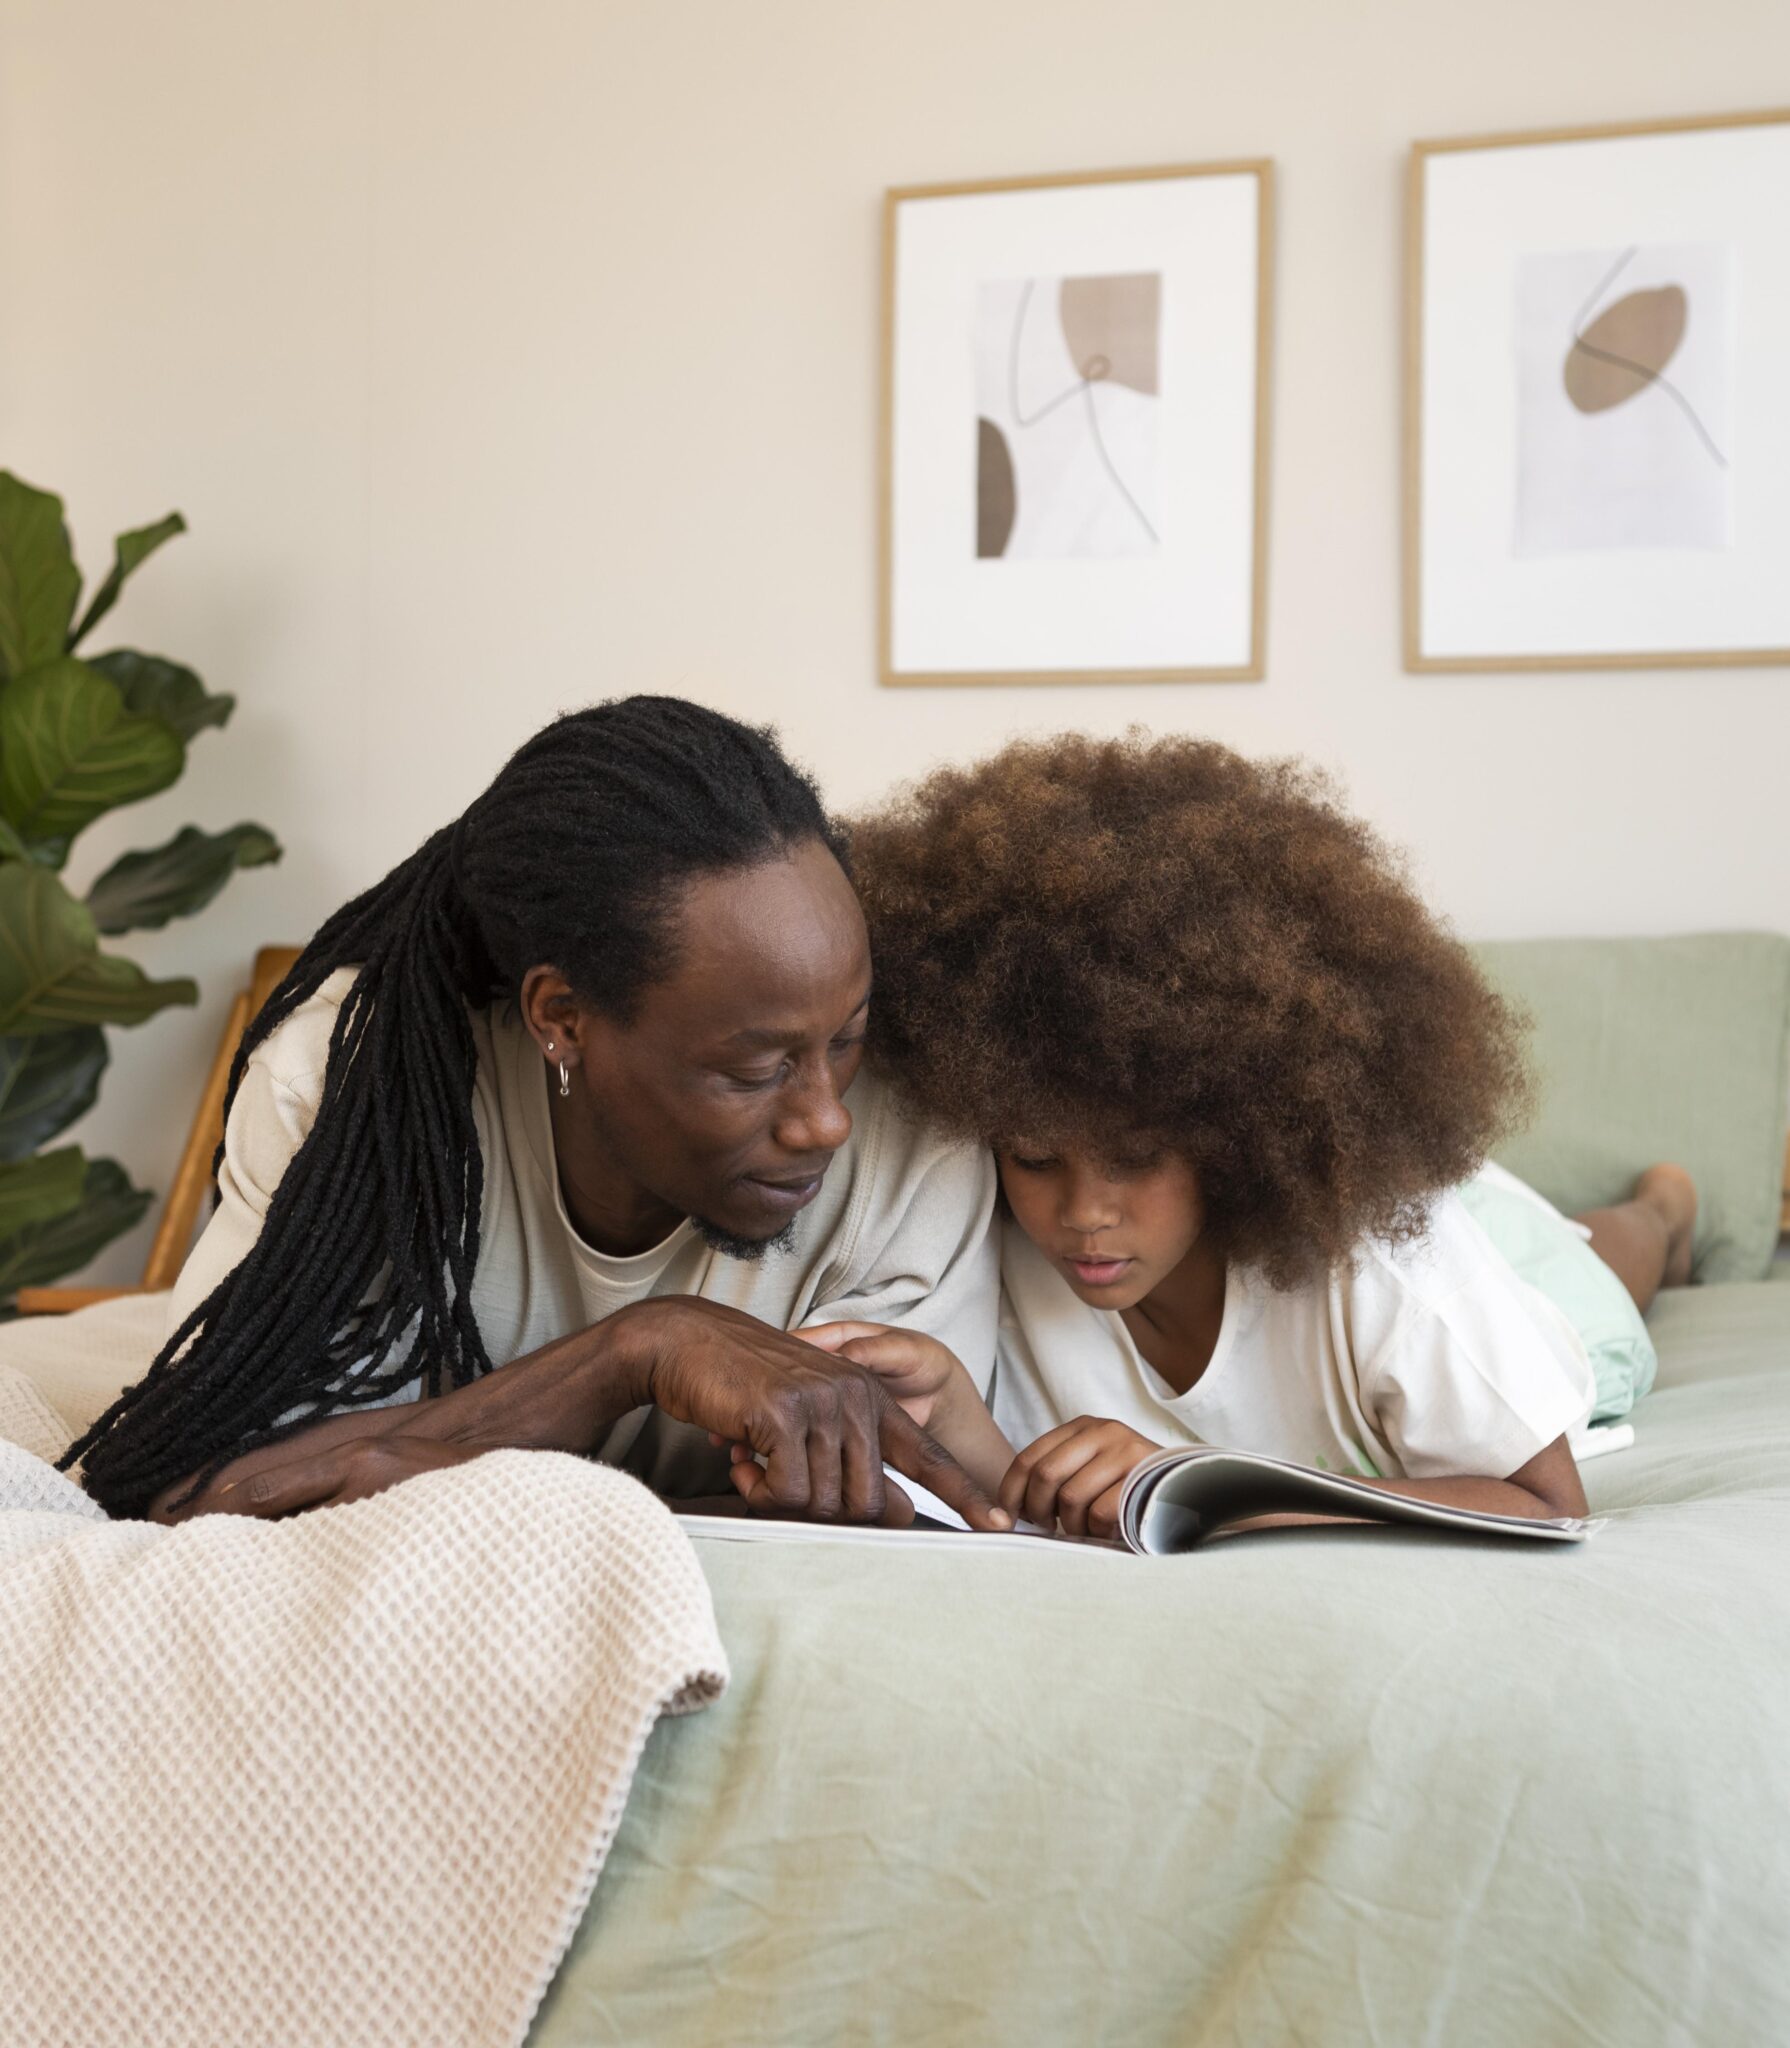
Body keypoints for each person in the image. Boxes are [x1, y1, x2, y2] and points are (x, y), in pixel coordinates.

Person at [64, 698, 1009, 1531]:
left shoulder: (916, 1141)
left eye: (846, 1038)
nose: (823, 1121)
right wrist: (633, 1352)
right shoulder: (352, 1090)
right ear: (561, 1018)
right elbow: (193, 1492)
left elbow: (909, 1523)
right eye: (755, 1069)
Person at [797, 732, 1697, 1539]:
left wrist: (1203, 1489)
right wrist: (954, 1409)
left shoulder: (1388, 1271)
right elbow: (1035, 1507)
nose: (1083, 1214)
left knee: (1597, 1279)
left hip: (1440, 1244)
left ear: (1233, 1130)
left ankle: (1666, 1205)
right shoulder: (985, 1244)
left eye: (1138, 1158)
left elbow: (1551, 1503)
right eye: (1035, 1157)